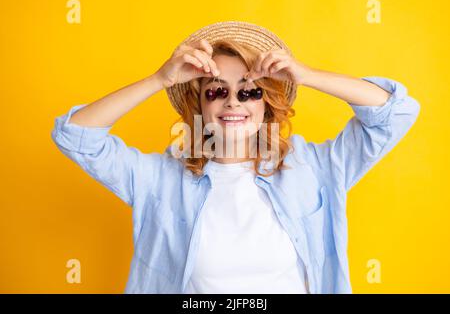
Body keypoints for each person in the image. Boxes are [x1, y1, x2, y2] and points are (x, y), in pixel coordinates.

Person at [51, 21, 420, 294]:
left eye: (249, 92)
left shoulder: (316, 169)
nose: (232, 102)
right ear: (199, 103)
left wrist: (306, 75)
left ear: (267, 103)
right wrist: (159, 79)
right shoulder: (158, 180)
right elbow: (75, 135)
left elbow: (396, 112)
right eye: (216, 91)